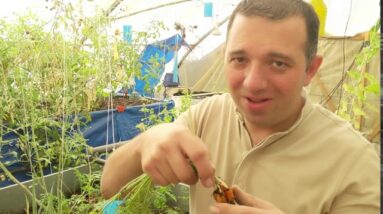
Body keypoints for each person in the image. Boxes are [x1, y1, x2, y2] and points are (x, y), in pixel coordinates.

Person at [101, 0, 380, 213]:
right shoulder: (207, 115)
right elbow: (109, 186)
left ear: (311, 69)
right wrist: (147, 141)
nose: (253, 82)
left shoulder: (354, 161)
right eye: (240, 59)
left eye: (278, 63)